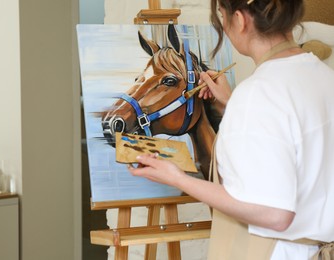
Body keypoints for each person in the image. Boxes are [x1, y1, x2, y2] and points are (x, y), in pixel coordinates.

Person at [127, 0, 334, 259]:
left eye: (221, 18)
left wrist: (177, 178)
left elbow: (274, 213)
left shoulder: (259, 93)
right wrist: (232, 105)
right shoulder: (324, 76)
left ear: (239, 19)